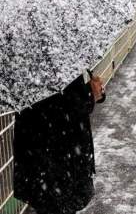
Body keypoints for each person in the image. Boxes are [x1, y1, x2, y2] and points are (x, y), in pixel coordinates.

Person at [14, 72, 105, 214]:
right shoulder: (56, 63)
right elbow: (67, 107)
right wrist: (90, 94)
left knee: (50, 203)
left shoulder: (24, 69)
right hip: (61, 156)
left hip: (39, 157)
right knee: (59, 203)